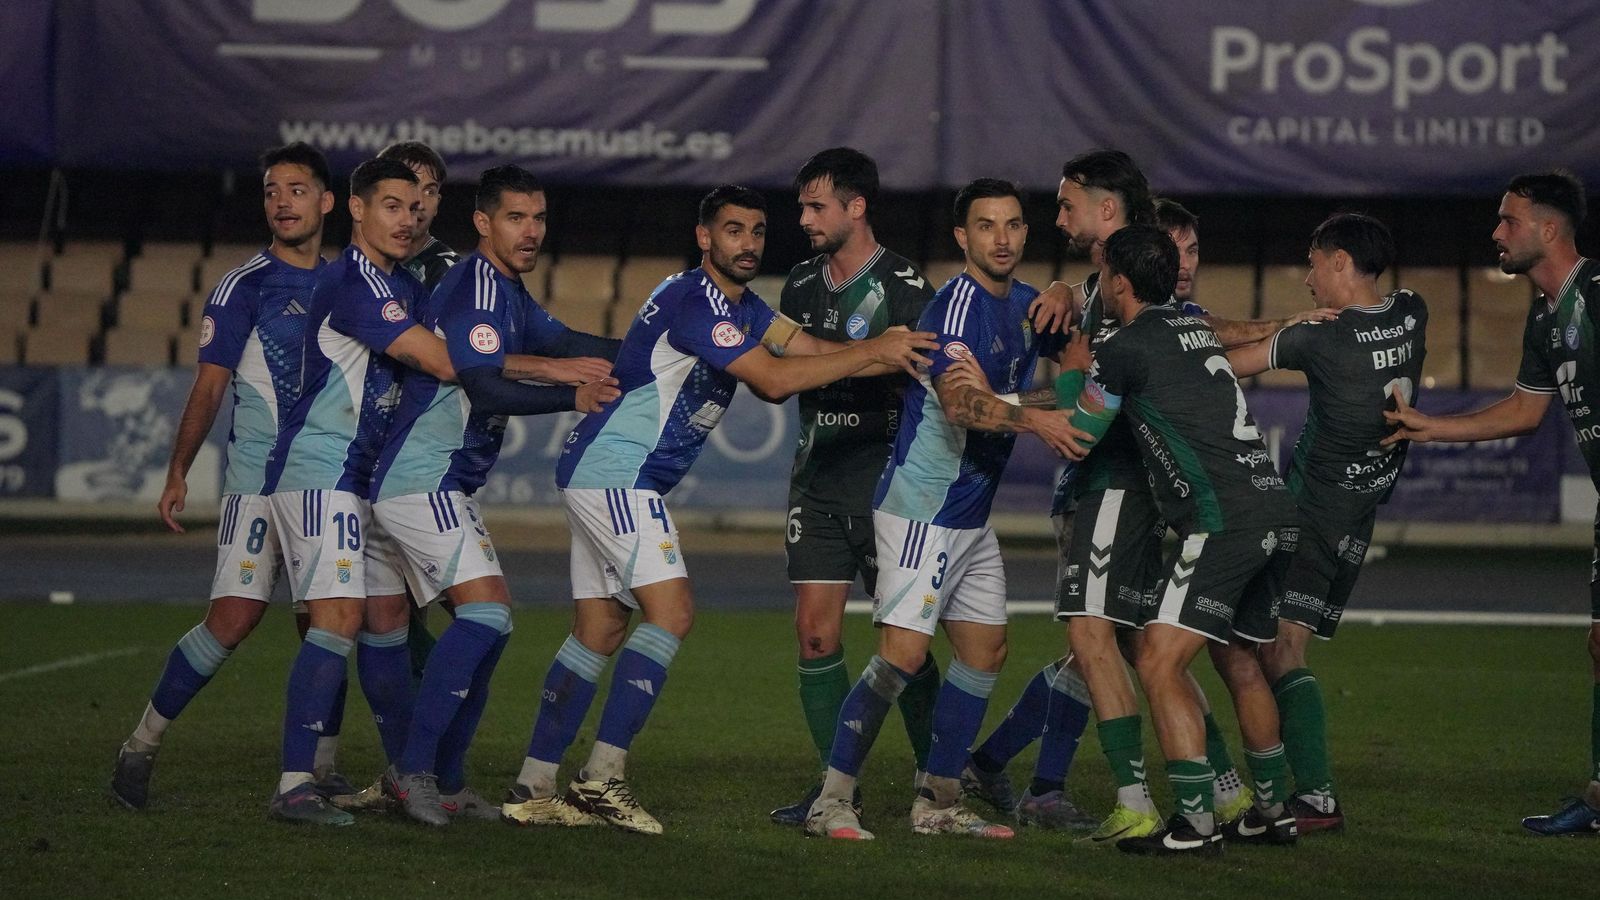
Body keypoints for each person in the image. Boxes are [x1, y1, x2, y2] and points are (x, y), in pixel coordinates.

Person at [508, 185, 937, 835]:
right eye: (733, 230)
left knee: (598, 629)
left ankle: (536, 785)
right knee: (673, 612)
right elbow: (772, 379)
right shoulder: (695, 300)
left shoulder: (743, 307)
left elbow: (801, 348)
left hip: (601, 472)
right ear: (706, 237)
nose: (748, 243)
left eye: (759, 232)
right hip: (620, 474)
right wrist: (876, 352)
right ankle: (601, 780)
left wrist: (883, 350)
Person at [803, 178, 1084, 841]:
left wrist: (1068, 311)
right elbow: (963, 407)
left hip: (968, 514)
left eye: (1014, 225)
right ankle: (831, 799)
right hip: (921, 511)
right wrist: (1042, 420)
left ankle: (936, 801)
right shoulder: (952, 312)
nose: (1004, 238)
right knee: (901, 656)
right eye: (987, 226)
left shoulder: (1024, 304)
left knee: (985, 651)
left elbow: (1073, 361)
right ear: (964, 237)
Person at [366, 164, 622, 826]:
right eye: (516, 217)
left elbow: (562, 340)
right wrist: (573, 395)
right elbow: (484, 387)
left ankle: (445, 782)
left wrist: (654, 351)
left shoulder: (506, 290)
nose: (531, 230)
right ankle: (413, 772)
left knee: (490, 630)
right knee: (484, 618)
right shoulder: (478, 290)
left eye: (538, 218)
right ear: (484, 223)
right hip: (418, 477)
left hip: (442, 482)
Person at [111, 143, 342, 810]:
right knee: (232, 621)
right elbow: (210, 387)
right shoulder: (245, 287)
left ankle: (320, 771)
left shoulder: (345, 286)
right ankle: (141, 744)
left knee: (327, 621)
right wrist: (179, 470)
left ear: (326, 201)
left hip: (325, 486)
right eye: (272, 190)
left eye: (296, 189)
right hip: (257, 487)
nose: (281, 201)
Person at [1060, 224, 1296, 855]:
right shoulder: (1194, 329)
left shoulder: (1125, 346)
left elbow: (1081, 431)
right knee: (1241, 662)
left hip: (1223, 520)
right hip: (1272, 507)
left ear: (1120, 282)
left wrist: (1059, 378)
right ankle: (1272, 810)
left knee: (1159, 660)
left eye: (1106, 276)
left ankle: (1193, 825)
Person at [1385, 170, 1600, 836]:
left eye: (1509, 220)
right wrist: (1431, 427)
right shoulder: (1545, 314)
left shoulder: (1596, 293)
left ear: (1548, 228)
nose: (1496, 232)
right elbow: (1526, 410)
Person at [259, 157, 455, 825]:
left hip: (359, 477)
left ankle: (403, 773)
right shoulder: (356, 283)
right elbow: (444, 361)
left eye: (415, 207)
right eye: (393, 206)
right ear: (358, 208)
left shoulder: (394, 284)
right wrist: (551, 373)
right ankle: (293, 786)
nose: (408, 218)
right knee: (338, 619)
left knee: (387, 621)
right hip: (319, 470)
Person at [1227, 212, 1426, 834]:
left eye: (1313, 263)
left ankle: (1310, 797)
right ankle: (1303, 792)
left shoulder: (1321, 337)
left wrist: (1165, 344)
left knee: (1271, 647)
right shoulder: (1413, 311)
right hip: (1360, 510)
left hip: (1311, 511)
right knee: (1278, 644)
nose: (1308, 279)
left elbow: (1231, 366)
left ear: (1340, 262)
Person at [769, 147, 942, 826]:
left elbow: (917, 372)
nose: (805, 219)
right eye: (803, 206)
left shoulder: (905, 285)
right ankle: (836, 790)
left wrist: (834, 363)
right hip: (816, 477)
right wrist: (867, 357)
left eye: (817, 206)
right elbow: (791, 364)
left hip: (883, 485)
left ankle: (936, 782)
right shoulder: (800, 284)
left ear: (856, 206)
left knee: (907, 642)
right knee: (815, 635)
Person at [379, 141, 459, 289]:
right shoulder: (355, 266)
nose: (420, 204)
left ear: (437, 203)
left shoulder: (452, 275)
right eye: (410, 187)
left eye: (430, 192)